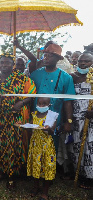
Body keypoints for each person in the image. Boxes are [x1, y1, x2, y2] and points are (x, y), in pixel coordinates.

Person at [0, 53, 36, 189]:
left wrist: (21, 103)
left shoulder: (22, 78)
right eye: (2, 63)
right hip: (0, 117)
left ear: (13, 65)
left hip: (16, 117)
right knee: (1, 144)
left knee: (15, 145)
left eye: (8, 63)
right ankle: (3, 171)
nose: (4, 65)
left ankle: (13, 175)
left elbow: (32, 93)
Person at [29, 44, 75, 175]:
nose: (46, 57)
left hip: (54, 120)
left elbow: (67, 102)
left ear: (58, 58)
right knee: (35, 148)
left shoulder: (66, 77)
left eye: (50, 55)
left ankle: (48, 177)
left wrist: (69, 121)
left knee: (50, 149)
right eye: (45, 55)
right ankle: (35, 176)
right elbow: (29, 96)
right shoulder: (35, 75)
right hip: (35, 118)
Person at [27, 97, 58, 200]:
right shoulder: (34, 115)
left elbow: (52, 131)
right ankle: (36, 186)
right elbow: (30, 127)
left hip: (46, 146)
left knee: (47, 167)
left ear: (49, 104)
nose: (40, 106)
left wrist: (49, 129)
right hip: (35, 145)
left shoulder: (52, 116)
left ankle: (45, 191)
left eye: (44, 104)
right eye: (39, 103)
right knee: (36, 165)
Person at [70, 53, 93, 189]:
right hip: (77, 119)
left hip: (91, 119)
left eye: (87, 61)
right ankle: (78, 173)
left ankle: (90, 178)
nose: (83, 64)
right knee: (77, 147)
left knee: (90, 149)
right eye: (80, 61)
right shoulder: (73, 77)